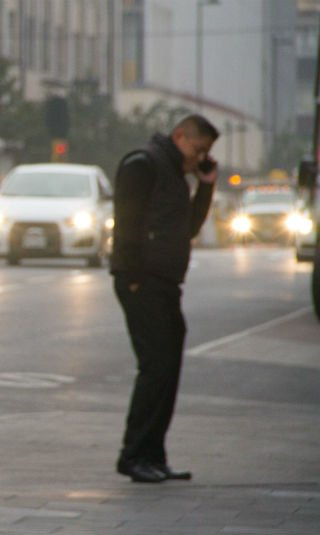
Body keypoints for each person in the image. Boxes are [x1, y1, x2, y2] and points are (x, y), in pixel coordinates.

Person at [110, 114, 219, 483]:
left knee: (168, 366)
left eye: (205, 153)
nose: (199, 158)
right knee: (156, 366)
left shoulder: (176, 175)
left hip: (167, 283)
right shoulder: (142, 164)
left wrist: (205, 186)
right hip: (144, 282)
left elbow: (188, 228)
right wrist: (134, 277)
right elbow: (126, 224)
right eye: (197, 149)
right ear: (179, 136)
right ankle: (133, 454)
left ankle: (153, 454)